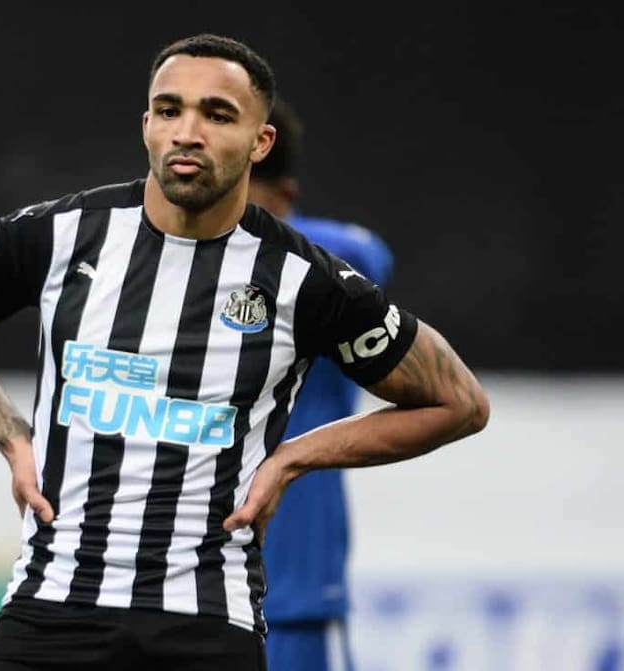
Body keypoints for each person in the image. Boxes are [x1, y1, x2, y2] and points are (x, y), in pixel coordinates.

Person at [0, 33, 489, 671]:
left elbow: (459, 402)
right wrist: (10, 435)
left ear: (261, 142)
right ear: (146, 123)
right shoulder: (58, 236)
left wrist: (293, 459)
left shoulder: (304, 279)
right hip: (49, 608)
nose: (187, 132)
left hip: (204, 624)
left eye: (217, 114)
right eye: (169, 110)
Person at [249, 99, 394, 671]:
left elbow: (366, 256)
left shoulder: (325, 269)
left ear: (282, 198)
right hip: (187, 602)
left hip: (292, 591)